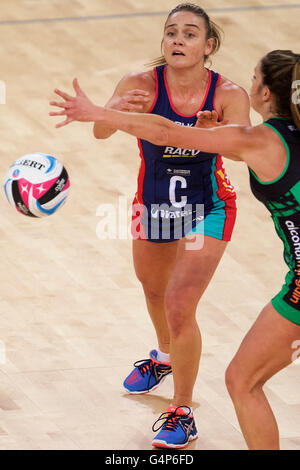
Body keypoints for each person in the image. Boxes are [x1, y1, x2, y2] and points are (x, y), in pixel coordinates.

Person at [50, 49, 300, 450]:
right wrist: (213, 135)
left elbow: (167, 133)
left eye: (254, 77)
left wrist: (99, 112)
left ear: (265, 92)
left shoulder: (259, 137)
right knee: (158, 294)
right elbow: (227, 146)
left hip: (286, 276)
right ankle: (166, 355)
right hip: (153, 208)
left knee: (241, 379)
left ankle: (182, 409)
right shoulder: (259, 138)